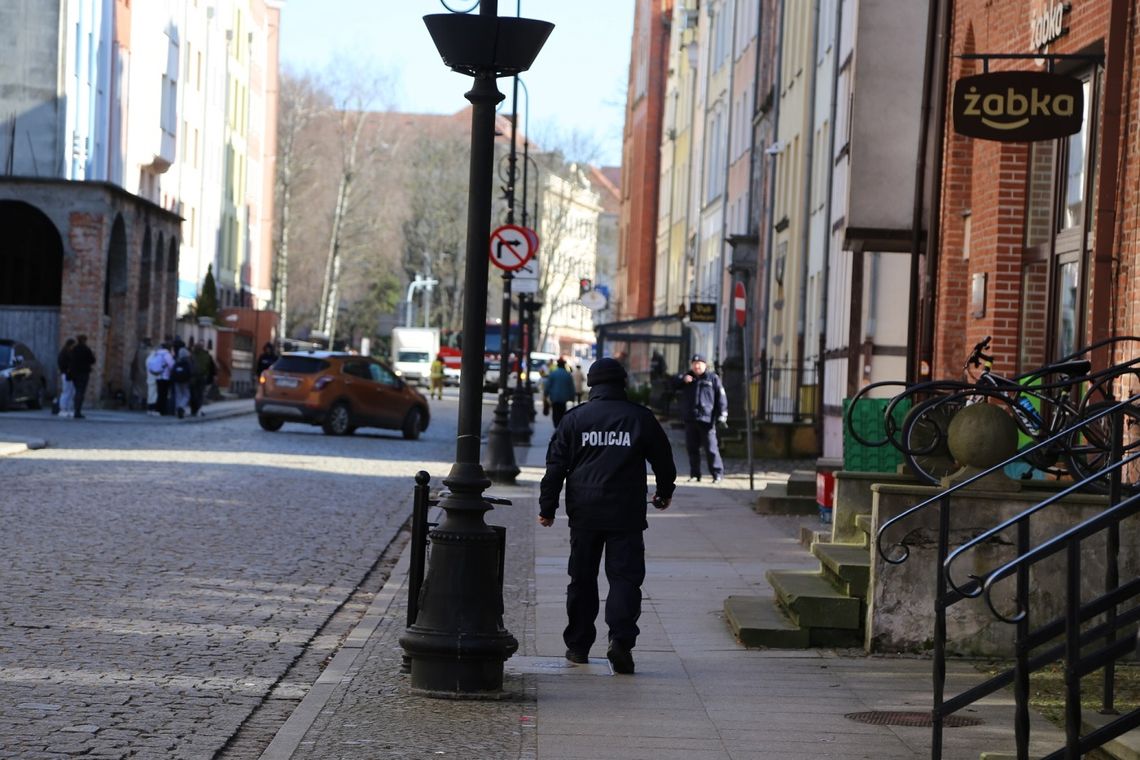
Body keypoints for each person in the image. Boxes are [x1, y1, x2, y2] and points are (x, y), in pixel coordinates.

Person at [538, 357, 677, 675]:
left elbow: (556, 466)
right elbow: (664, 460)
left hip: (584, 512)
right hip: (625, 512)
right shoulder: (640, 418)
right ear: (622, 384)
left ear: (591, 385)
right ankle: (621, 642)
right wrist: (664, 492)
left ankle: (578, 645)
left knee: (582, 579)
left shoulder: (575, 419)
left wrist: (548, 508)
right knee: (625, 578)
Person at [675, 353, 728, 483]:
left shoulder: (712, 378)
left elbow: (721, 398)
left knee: (711, 448)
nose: (697, 366)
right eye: (694, 364)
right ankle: (695, 474)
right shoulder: (687, 378)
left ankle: (717, 474)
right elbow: (673, 385)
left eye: (699, 364)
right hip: (690, 419)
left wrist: (722, 415)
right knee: (692, 449)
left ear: (705, 365)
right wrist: (682, 380)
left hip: (707, 420)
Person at [68, 334, 96, 419]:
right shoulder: (86, 349)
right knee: (81, 391)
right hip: (83, 373)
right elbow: (92, 360)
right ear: (84, 340)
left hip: (75, 373)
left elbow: (70, 361)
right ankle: (77, 411)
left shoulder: (74, 349)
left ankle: (76, 410)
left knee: (77, 391)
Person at [542, 358, 576, 426]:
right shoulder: (567, 375)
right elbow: (571, 387)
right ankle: (560, 425)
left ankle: (556, 425)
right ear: (564, 365)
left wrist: (545, 395)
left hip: (554, 397)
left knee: (555, 411)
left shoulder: (553, 374)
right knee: (562, 411)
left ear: (557, 365)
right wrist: (572, 397)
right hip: (564, 398)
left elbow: (548, 385)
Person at [145, 341, 174, 416]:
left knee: (153, 393)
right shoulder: (167, 354)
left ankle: (151, 408)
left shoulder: (155, 355)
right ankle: (160, 410)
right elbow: (171, 365)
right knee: (162, 394)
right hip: (165, 377)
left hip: (156, 376)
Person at [190, 341, 215, 417]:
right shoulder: (206, 355)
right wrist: (212, 377)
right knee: (200, 394)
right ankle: (197, 409)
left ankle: (194, 409)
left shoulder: (191, 355)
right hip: (202, 377)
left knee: (193, 393)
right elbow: (211, 367)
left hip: (193, 377)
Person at [55, 337, 76, 417]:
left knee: (70, 392)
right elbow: (62, 364)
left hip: (68, 374)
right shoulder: (65, 353)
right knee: (67, 391)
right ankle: (63, 408)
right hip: (66, 374)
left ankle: (68, 408)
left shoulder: (67, 352)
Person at [171, 346, 193, 418]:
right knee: (186, 395)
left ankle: (177, 410)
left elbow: (173, 371)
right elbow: (190, 372)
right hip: (185, 381)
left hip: (177, 381)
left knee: (178, 395)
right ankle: (181, 407)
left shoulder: (177, 362)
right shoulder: (187, 362)